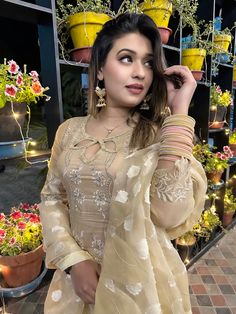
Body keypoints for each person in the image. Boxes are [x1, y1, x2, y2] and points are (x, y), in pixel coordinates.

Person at [39, 13, 207, 314]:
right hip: (76, 286)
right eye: (127, 58)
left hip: (138, 287)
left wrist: (179, 111)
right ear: (100, 69)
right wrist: (73, 260)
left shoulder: (159, 135)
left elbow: (170, 214)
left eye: (147, 62)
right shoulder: (70, 131)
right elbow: (52, 198)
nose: (140, 73)